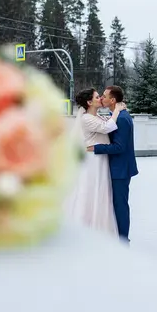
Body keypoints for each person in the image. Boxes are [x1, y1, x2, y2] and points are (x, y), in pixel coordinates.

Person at [64, 88, 126, 236]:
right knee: (90, 191)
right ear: (89, 102)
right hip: (92, 161)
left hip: (99, 158)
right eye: (97, 97)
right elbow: (107, 127)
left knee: (100, 191)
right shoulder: (86, 118)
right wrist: (117, 110)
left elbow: (107, 124)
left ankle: (98, 227)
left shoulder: (96, 115)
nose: (101, 99)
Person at [87, 86, 138, 243]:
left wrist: (96, 148)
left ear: (113, 100)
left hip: (121, 169)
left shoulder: (122, 119)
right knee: (116, 204)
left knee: (120, 205)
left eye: (104, 96)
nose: (102, 98)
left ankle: (123, 240)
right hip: (117, 167)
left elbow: (119, 147)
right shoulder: (117, 115)